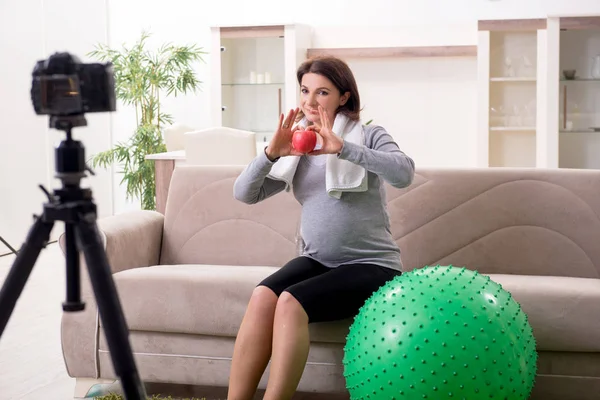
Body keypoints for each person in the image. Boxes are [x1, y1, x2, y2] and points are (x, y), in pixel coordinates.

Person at [227, 56, 415, 400]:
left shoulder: (369, 135)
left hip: (372, 265)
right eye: (304, 91)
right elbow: (244, 193)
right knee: (262, 296)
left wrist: (343, 149)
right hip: (317, 260)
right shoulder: (298, 147)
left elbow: (404, 173)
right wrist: (270, 152)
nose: (310, 102)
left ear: (343, 97)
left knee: (290, 301)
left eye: (322, 92)